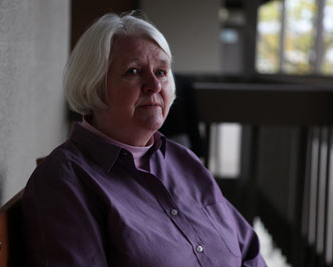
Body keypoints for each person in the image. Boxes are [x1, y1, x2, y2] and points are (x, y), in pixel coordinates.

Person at [22, 11, 267, 267]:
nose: (154, 85)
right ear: (93, 85)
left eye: (161, 72)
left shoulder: (184, 160)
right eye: (134, 71)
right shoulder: (64, 181)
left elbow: (248, 250)